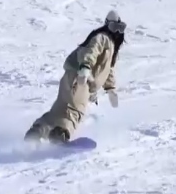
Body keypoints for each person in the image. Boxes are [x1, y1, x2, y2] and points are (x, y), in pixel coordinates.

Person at [24, 10, 126, 144]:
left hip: (72, 76)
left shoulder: (110, 45)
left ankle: (38, 130)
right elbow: (91, 51)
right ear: (107, 26)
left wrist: (110, 89)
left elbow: (108, 69)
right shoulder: (102, 38)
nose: (117, 32)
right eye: (114, 27)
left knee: (59, 109)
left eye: (120, 28)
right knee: (75, 111)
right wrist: (85, 67)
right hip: (82, 80)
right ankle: (60, 134)